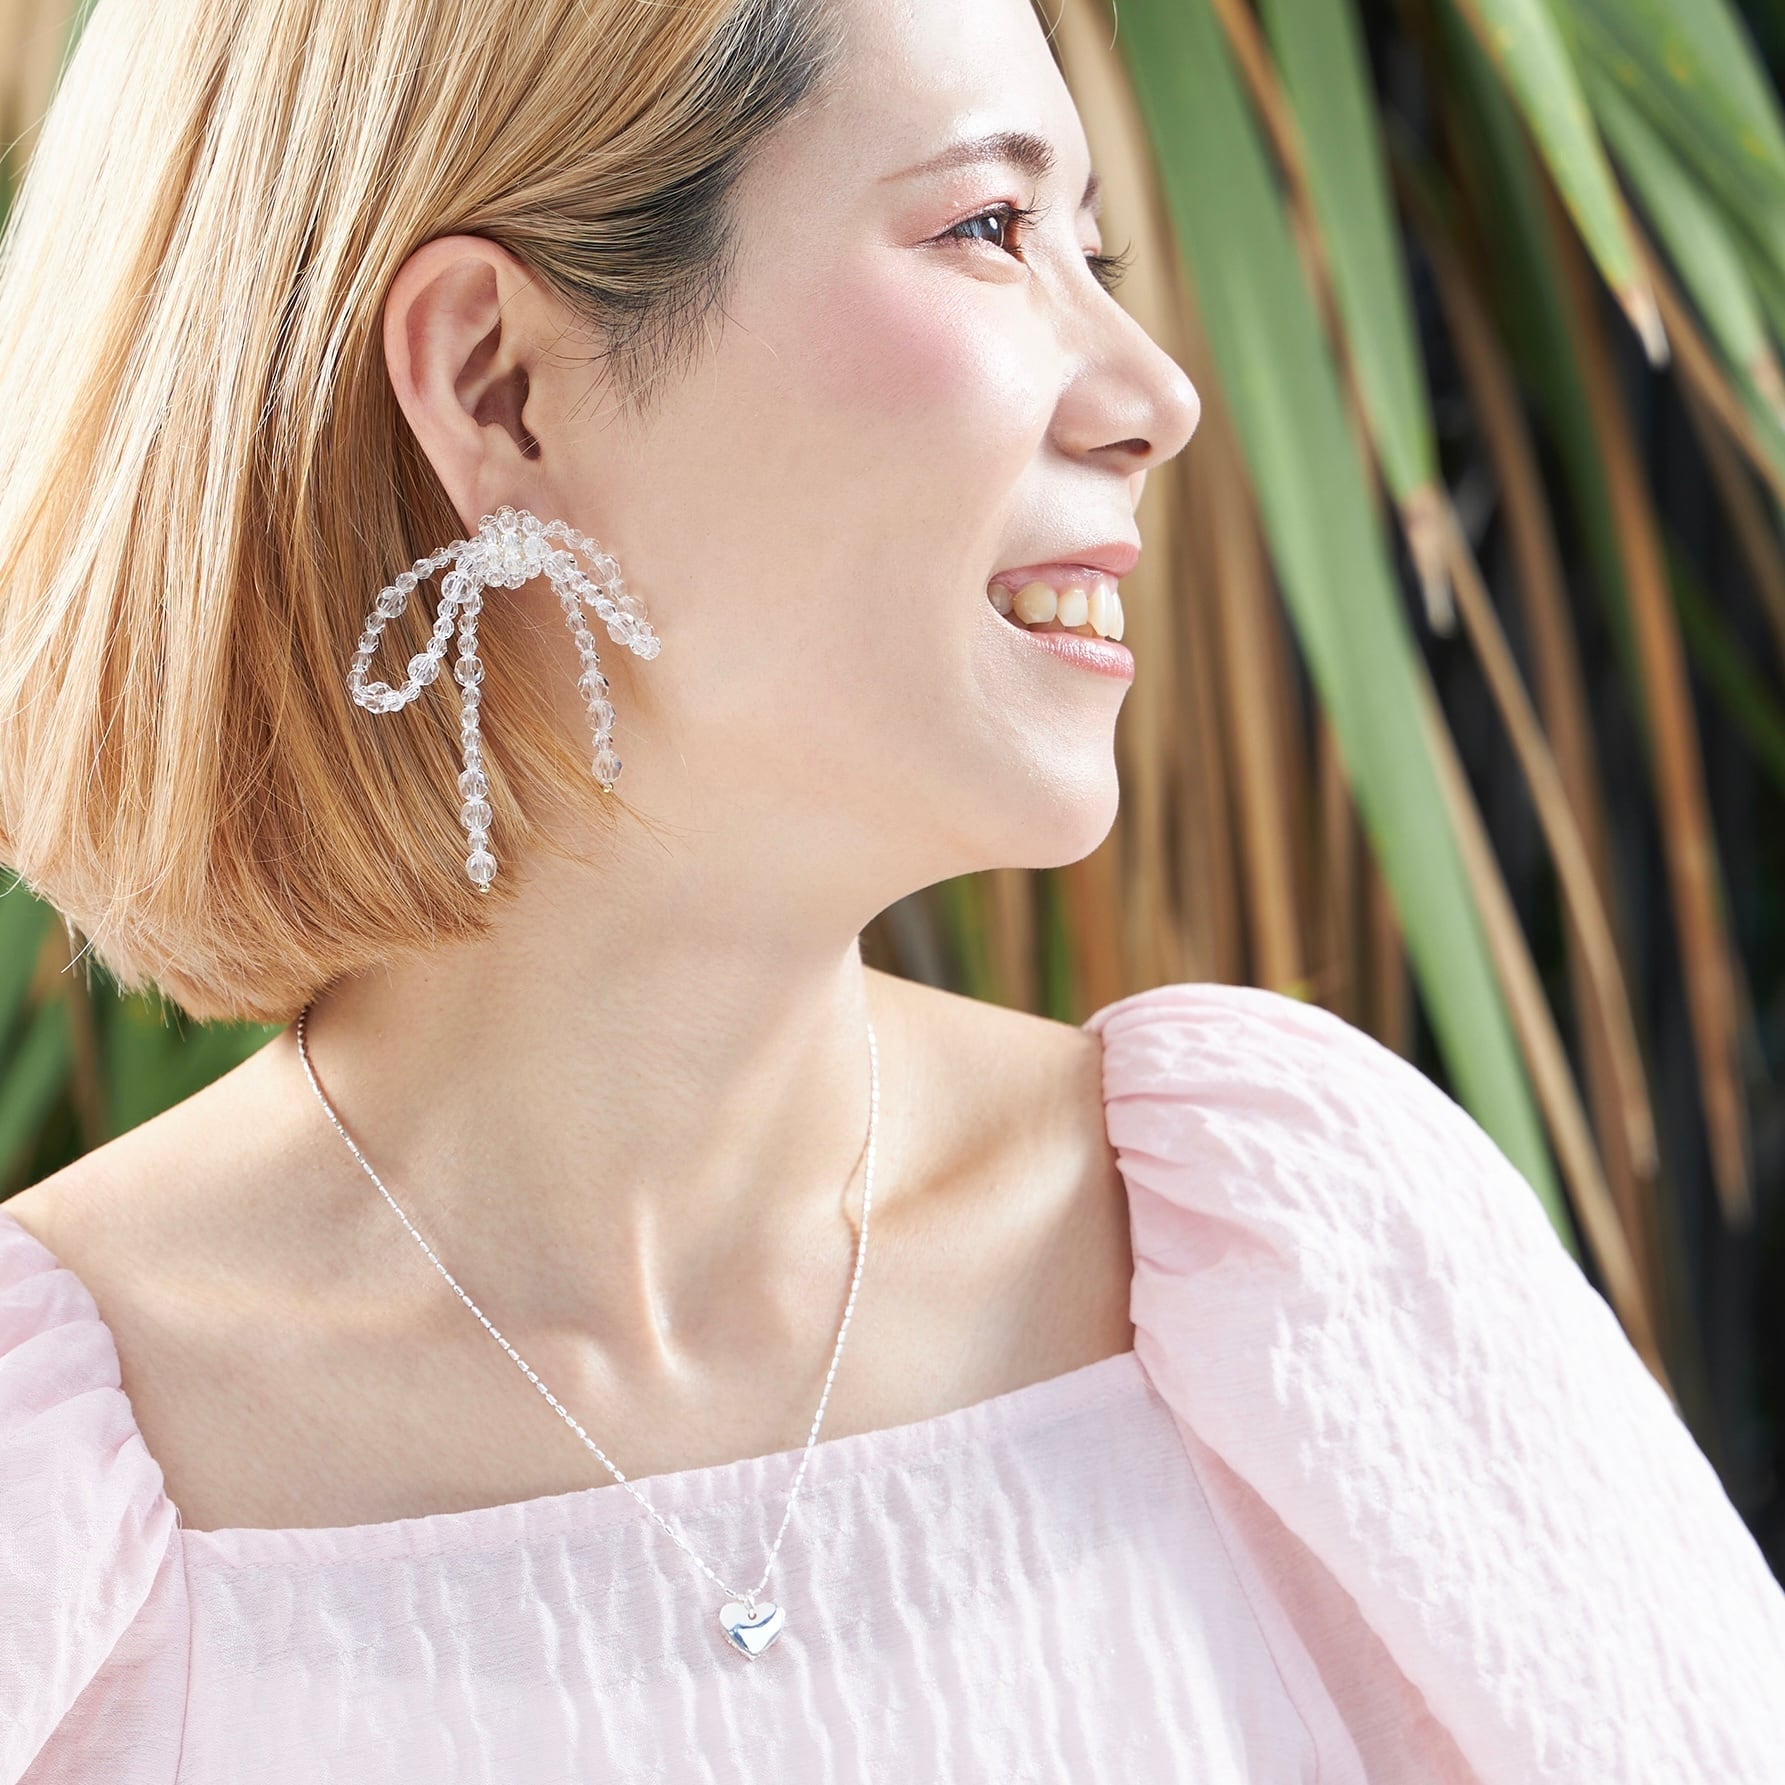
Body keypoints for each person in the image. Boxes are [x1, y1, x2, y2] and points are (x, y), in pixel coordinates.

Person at [1, 0, 1781, 1777]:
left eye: (1091, 245)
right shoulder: (54, 1500)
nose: (1156, 395)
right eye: (988, 228)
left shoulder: (1292, 1260)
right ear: (497, 385)